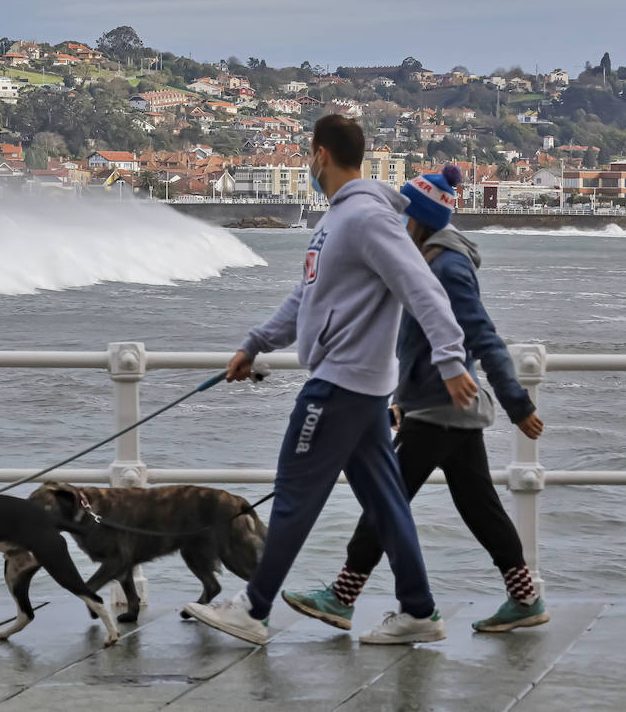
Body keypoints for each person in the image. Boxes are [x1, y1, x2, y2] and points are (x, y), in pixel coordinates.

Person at [184, 115, 478, 646]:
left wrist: (451, 360)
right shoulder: (337, 221)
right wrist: (254, 345)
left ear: (320, 154)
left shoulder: (367, 218)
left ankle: (253, 608)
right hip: (359, 389)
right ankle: (419, 611)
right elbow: (307, 298)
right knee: (387, 502)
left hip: (340, 384)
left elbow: (423, 290)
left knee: (295, 493)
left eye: (308, 154)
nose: (308, 162)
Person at [283, 165, 549, 634]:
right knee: (480, 507)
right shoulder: (424, 261)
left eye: (401, 213)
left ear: (417, 220)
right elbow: (418, 346)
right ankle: (525, 598)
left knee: (386, 502)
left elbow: (481, 334)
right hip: (436, 407)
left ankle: (349, 598)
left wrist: (517, 403)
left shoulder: (447, 267)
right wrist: (401, 400)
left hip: (444, 409)